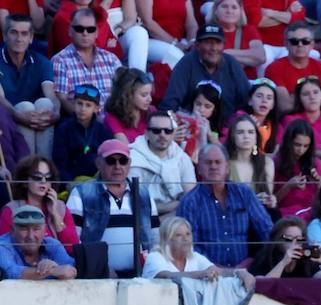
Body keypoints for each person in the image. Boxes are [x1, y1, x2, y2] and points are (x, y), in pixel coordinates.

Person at [67, 136, 158, 276]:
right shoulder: (81, 193)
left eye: (123, 161)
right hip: (97, 276)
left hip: (141, 276)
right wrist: (98, 266)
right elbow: (74, 238)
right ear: (98, 163)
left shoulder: (143, 193)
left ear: (129, 163)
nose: (117, 166)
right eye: (111, 161)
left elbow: (155, 237)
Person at [176, 142, 275, 265]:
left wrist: (255, 261)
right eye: (208, 162)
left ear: (227, 167)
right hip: (206, 275)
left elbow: (266, 230)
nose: (213, 166)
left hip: (246, 270)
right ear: (199, 169)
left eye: (218, 162)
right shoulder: (189, 202)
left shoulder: (244, 193)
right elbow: (189, 247)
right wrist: (216, 269)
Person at [143, 214, 255, 290]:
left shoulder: (194, 257)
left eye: (188, 234)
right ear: (167, 239)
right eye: (178, 235)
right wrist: (201, 274)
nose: (185, 239)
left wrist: (240, 272)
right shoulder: (155, 257)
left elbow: (217, 271)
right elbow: (167, 276)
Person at [0, 16, 60, 157]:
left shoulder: (42, 62)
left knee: (45, 104)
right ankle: (28, 170)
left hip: (36, 119)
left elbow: (51, 95)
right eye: (14, 32)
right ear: (4, 36)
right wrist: (17, 113)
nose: (19, 39)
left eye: (24, 33)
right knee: (25, 107)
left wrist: (56, 113)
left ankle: (44, 166)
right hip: (8, 117)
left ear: (31, 38)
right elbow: (0, 98)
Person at [164, 24, 252, 114]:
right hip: (192, 123)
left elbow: (247, 99)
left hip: (228, 125)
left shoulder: (232, 64)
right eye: (208, 42)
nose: (214, 48)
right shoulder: (186, 64)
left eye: (218, 43)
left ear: (223, 45)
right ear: (197, 45)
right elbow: (171, 102)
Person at [0, 155, 80, 250]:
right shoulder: (11, 210)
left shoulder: (60, 207)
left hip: (60, 263)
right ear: (25, 181)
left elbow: (73, 248)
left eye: (48, 177)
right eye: (37, 177)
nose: (43, 181)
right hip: (24, 264)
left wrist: (55, 215)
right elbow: (5, 250)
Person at [51, 7, 121, 114]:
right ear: (70, 31)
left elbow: (124, 92)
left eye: (90, 29)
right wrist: (90, 119)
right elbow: (63, 100)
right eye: (79, 29)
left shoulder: (111, 60)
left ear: (96, 32)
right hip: (81, 123)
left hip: (113, 121)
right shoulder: (60, 61)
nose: (85, 33)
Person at [128, 109, 197, 215]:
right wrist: (177, 204)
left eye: (167, 131)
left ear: (173, 133)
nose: (162, 135)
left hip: (178, 219)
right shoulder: (133, 158)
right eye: (156, 131)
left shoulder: (182, 158)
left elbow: (191, 198)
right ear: (146, 133)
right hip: (142, 219)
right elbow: (138, 205)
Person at [266, 22, 321, 112]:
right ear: (286, 44)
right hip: (292, 122)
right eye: (294, 41)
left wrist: (295, 96)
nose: (300, 44)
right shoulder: (274, 69)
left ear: (312, 45)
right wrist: (318, 98)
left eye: (305, 41)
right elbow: (285, 105)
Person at [283, 76, 321, 175]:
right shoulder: (290, 120)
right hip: (301, 170)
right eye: (306, 94)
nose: (312, 97)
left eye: (316, 92)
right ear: (299, 99)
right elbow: (292, 150)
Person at [0, 203, 78, 278]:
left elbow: (71, 269)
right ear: (12, 230)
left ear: (45, 230)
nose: (30, 236)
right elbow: (8, 272)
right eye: (24, 229)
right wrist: (50, 271)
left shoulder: (53, 244)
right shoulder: (2, 245)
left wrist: (57, 268)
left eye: (36, 229)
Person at [248, 214, 321, 276]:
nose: (294, 243)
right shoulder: (266, 256)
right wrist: (283, 263)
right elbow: (262, 286)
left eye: (299, 239)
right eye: (288, 239)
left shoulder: (307, 257)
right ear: (277, 240)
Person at [273, 118, 321, 217]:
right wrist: (288, 186)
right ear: (289, 142)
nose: (301, 150)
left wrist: (317, 181)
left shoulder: (315, 162)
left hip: (310, 213)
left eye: (306, 146)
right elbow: (272, 202)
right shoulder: (275, 162)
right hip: (285, 215)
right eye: (297, 145)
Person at [103, 66, 153, 143]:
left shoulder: (151, 111)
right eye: (144, 95)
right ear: (128, 95)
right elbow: (127, 150)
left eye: (150, 94)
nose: (150, 99)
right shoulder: (112, 119)